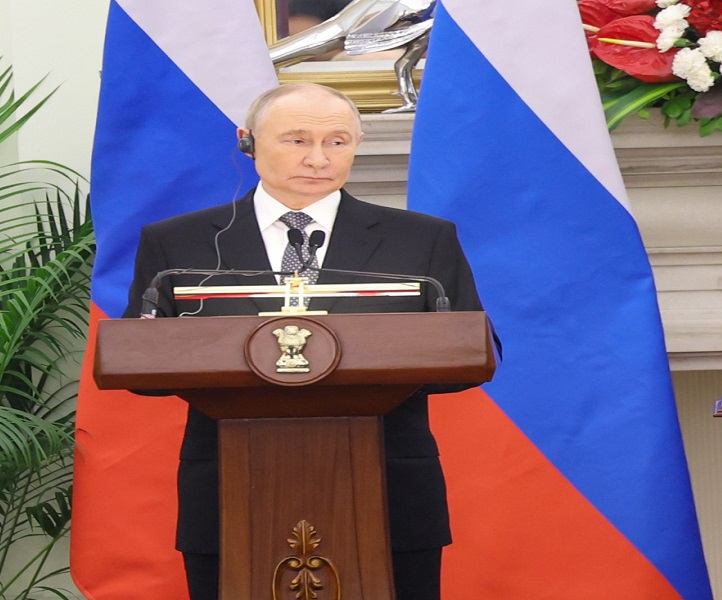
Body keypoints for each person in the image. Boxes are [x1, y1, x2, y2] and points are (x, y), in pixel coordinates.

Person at [121, 82, 482, 600]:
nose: (318, 159)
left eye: (338, 141)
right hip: (228, 487)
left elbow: (470, 354)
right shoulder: (178, 243)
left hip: (389, 486)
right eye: (297, 140)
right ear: (248, 142)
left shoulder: (422, 240)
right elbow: (141, 362)